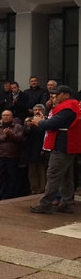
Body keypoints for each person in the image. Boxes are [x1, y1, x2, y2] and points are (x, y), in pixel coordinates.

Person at [30, 85, 81, 214]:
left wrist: (39, 122)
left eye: (57, 94)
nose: (55, 97)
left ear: (66, 95)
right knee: (66, 176)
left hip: (63, 145)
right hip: (68, 145)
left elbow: (52, 124)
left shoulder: (68, 107)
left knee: (53, 174)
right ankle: (66, 203)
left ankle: (45, 204)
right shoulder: (72, 105)